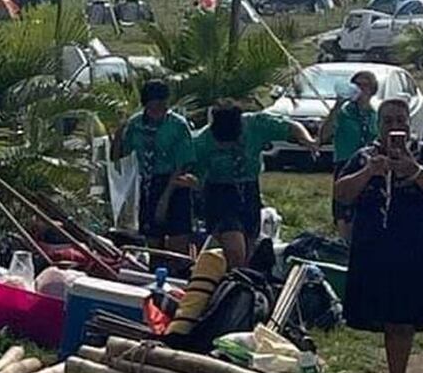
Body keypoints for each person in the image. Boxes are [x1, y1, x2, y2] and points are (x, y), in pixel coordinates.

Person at [334, 99, 423, 373]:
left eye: (400, 120)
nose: (395, 126)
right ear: (378, 125)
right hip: (381, 252)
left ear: (409, 123)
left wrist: (414, 170)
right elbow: (341, 194)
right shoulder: (365, 157)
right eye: (388, 121)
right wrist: (368, 172)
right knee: (395, 323)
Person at [193, 100, 318, 268]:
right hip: (220, 193)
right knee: (235, 250)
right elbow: (196, 178)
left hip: (249, 190)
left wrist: (307, 140)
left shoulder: (256, 123)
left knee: (249, 247)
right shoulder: (202, 141)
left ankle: (239, 278)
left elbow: (292, 127)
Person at [112, 80, 196, 254]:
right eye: (153, 108)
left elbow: (183, 164)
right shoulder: (135, 125)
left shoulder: (177, 125)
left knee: (177, 241)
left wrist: (165, 199)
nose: (158, 112)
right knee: (152, 242)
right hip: (149, 184)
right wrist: (118, 134)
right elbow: (119, 157)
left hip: (174, 183)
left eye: (162, 107)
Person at [320, 71, 379, 241]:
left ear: (372, 90)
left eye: (365, 85)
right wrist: (337, 106)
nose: (360, 89)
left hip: (368, 165)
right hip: (345, 164)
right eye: (357, 84)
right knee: (344, 212)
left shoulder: (375, 115)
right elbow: (323, 136)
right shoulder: (344, 113)